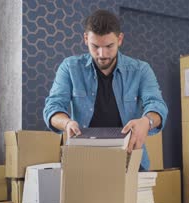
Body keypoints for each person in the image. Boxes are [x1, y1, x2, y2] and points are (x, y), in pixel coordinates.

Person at [43, 9, 168, 170]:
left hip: (129, 160)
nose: (102, 54)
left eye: (109, 46)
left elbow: (157, 105)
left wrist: (147, 121)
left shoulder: (141, 70)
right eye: (95, 46)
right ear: (86, 39)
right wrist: (66, 123)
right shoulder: (69, 67)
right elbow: (52, 107)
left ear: (120, 39)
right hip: (82, 161)